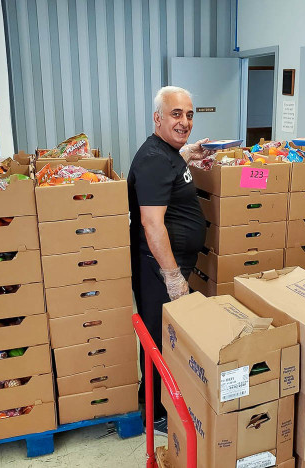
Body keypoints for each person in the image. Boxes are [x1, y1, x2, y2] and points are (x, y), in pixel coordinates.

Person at [128, 86, 209, 435]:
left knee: (162, 335)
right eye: (176, 114)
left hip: (168, 264)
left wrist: (187, 154)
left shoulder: (168, 153)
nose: (184, 121)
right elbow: (151, 223)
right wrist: (172, 276)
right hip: (158, 267)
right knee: (159, 339)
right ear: (157, 118)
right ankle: (157, 415)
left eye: (189, 115)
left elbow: (169, 173)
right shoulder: (155, 160)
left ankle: (153, 401)